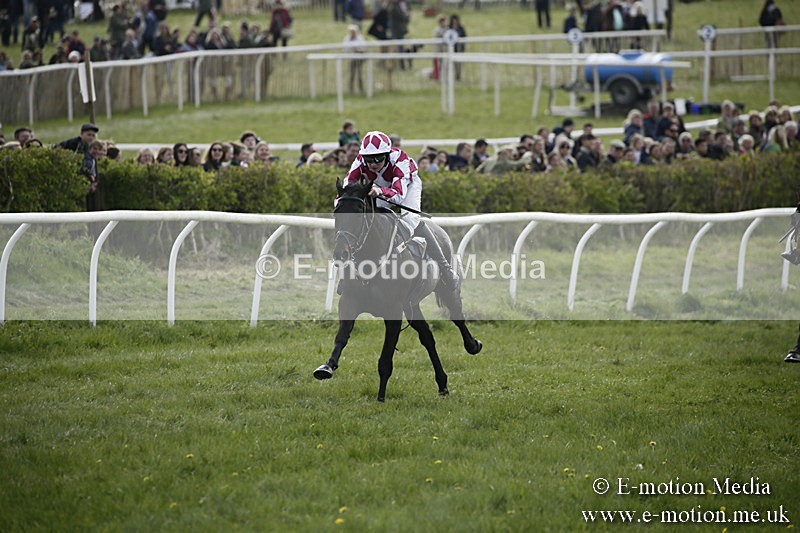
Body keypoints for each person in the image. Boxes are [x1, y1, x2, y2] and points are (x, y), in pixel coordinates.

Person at [341, 130, 459, 291]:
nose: (373, 163)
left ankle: (445, 269)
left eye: (378, 158)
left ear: (387, 154)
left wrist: (380, 191)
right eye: (369, 159)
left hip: (407, 185)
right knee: (369, 221)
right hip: (379, 186)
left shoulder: (400, 160)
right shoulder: (359, 161)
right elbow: (346, 189)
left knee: (411, 221)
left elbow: (398, 195)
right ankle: (350, 271)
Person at [343, 25, 365, 94]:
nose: (352, 33)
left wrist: (356, 48)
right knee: (351, 75)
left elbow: (362, 47)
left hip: (359, 59)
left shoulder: (360, 38)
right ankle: (351, 90)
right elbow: (345, 48)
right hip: (351, 59)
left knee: (359, 74)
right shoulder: (347, 38)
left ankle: (360, 90)